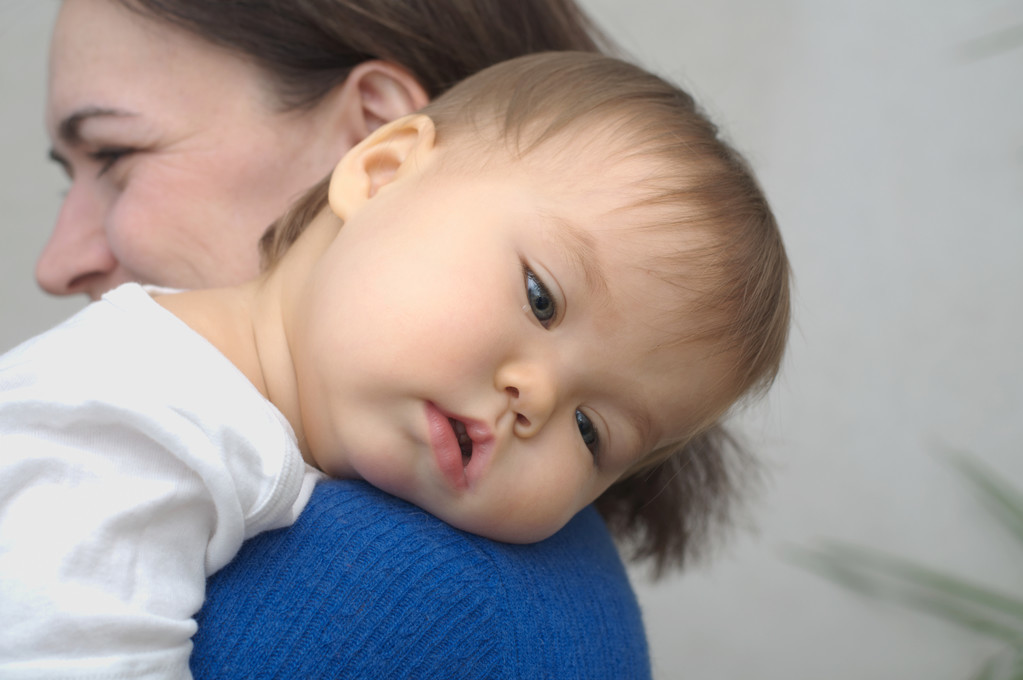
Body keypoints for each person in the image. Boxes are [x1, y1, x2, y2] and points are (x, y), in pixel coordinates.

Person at [2, 52, 790, 679]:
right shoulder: (135, 416)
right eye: (540, 298)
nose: (537, 398)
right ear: (381, 172)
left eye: (591, 430)